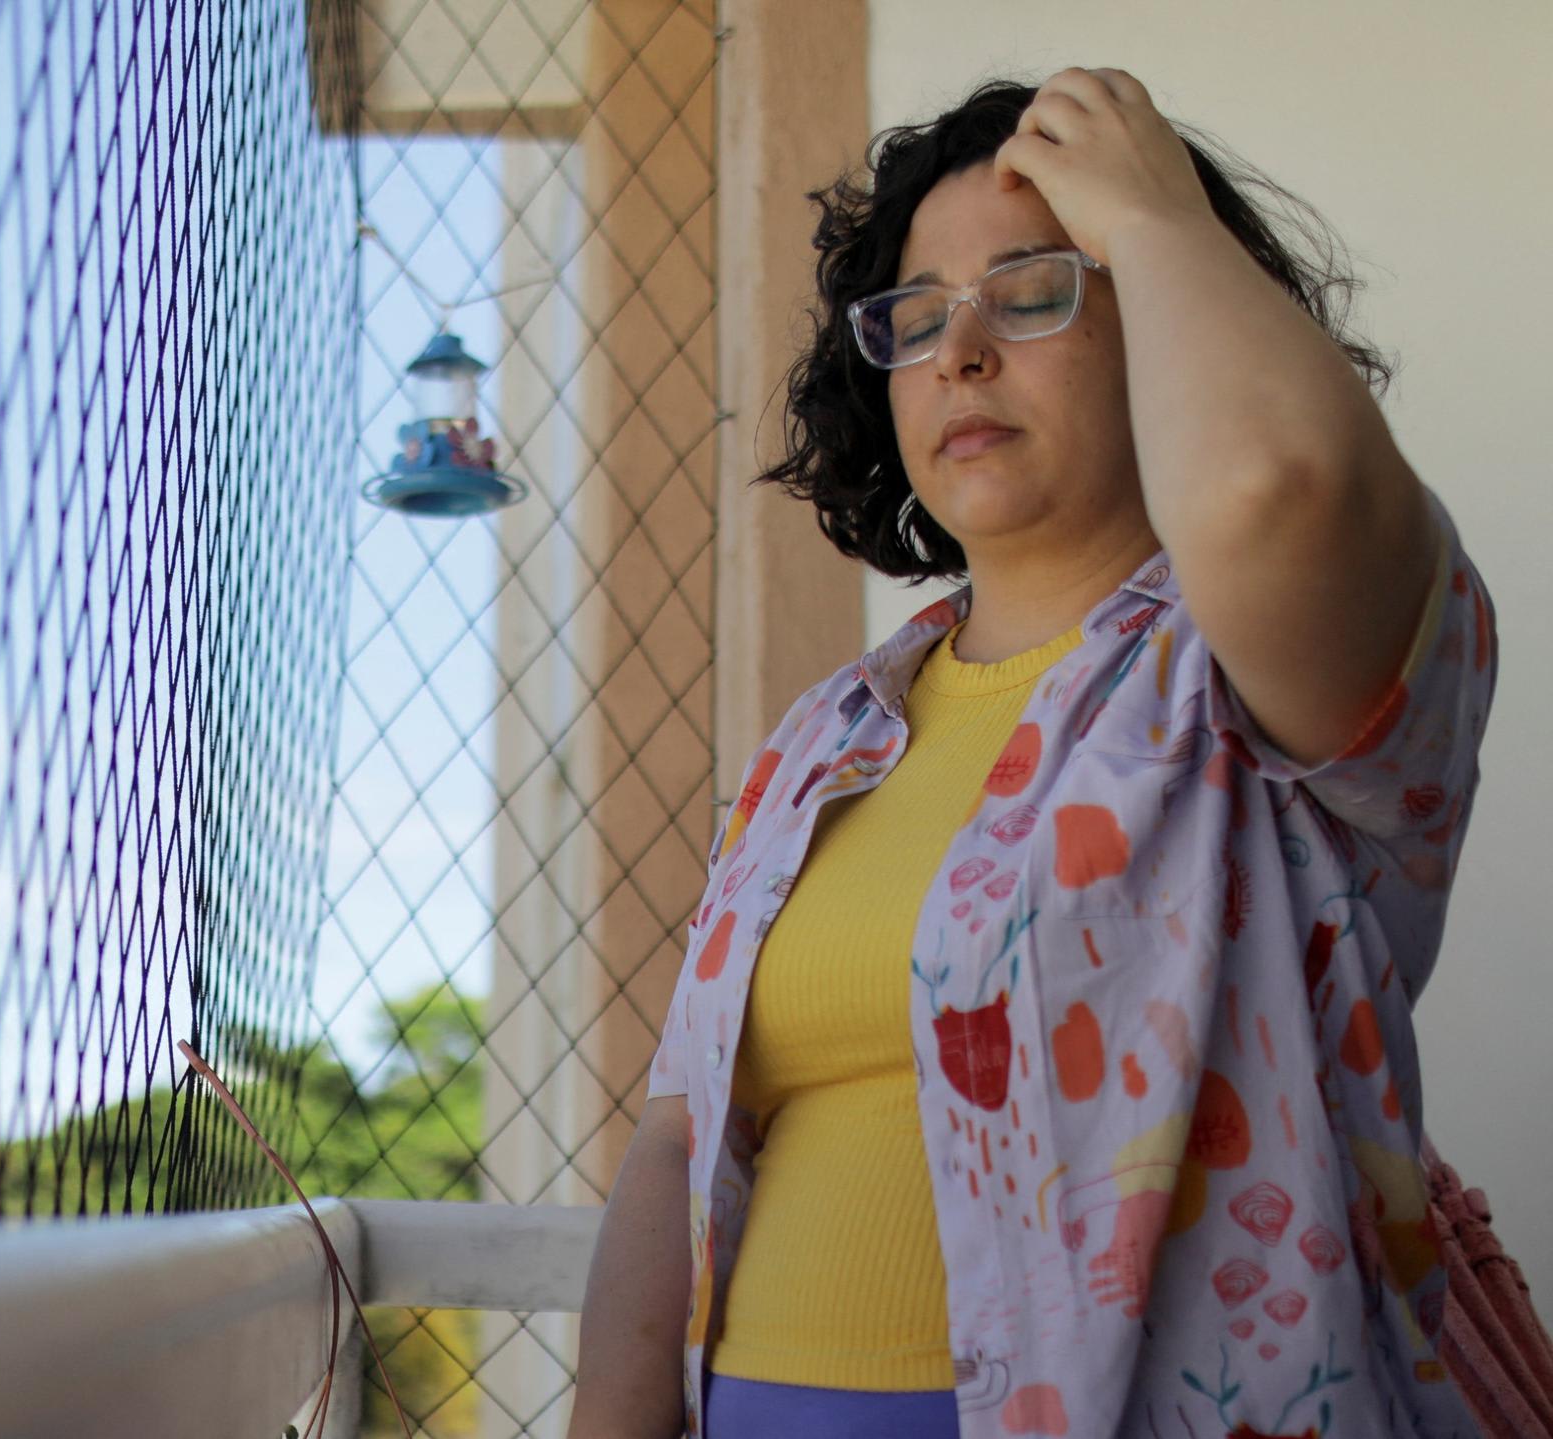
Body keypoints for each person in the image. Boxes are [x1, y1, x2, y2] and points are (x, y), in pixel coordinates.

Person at [566, 68, 1501, 1439]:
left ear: (1165, 316)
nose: (960, 351)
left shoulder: (1252, 676)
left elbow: (1274, 484)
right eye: (918, 315)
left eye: (1033, 291)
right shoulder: (828, 737)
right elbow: (678, 1139)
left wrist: (1154, 210)